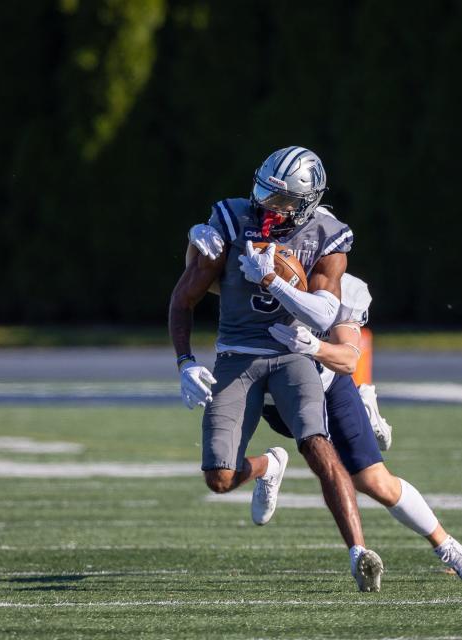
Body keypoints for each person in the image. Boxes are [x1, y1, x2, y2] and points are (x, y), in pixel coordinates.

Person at [189, 227, 462, 582]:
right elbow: (197, 277)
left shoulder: (343, 286)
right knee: (221, 472)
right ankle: (269, 466)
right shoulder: (251, 269)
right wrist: (194, 239)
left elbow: (347, 358)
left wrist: (314, 347)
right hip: (269, 396)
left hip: (328, 387)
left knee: (374, 481)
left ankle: (448, 547)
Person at [169, 146, 383, 592]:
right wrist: (185, 361)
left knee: (319, 445)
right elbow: (184, 295)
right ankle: (267, 465)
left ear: (307, 201)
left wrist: (273, 280)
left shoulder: (328, 233)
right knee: (219, 479)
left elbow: (325, 315)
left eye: (282, 199)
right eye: (265, 191)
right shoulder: (229, 220)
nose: (268, 204)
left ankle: (359, 553)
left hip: (293, 351)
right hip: (237, 354)